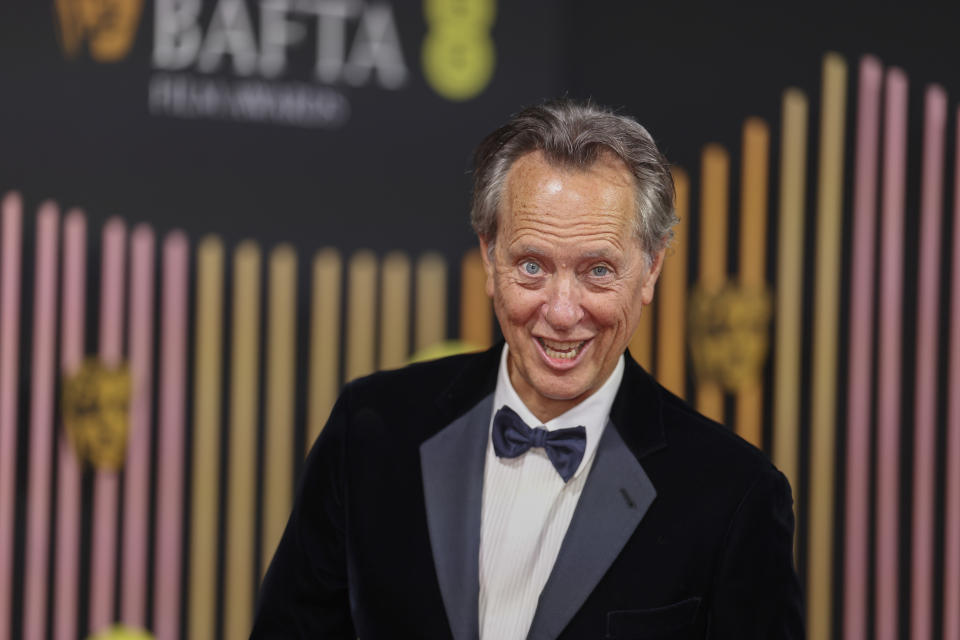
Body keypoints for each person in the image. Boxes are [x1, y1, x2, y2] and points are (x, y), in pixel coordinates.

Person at [251, 99, 804, 639]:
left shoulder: (735, 495)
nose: (563, 313)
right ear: (490, 257)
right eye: (533, 265)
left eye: (598, 270)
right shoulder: (369, 431)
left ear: (651, 268)